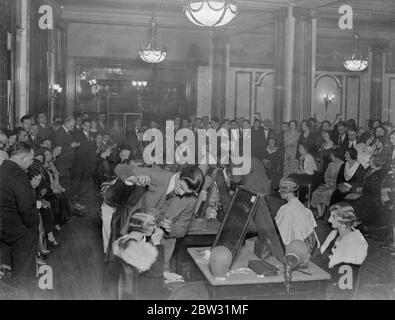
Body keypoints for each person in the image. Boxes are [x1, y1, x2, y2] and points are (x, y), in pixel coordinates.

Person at [114, 164, 204, 281]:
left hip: (160, 249)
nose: (182, 194)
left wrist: (171, 228)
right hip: (135, 233)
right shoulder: (158, 175)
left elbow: (182, 228)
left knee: (152, 282)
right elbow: (121, 168)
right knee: (128, 278)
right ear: (178, 176)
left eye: (187, 192)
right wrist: (134, 179)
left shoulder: (191, 200)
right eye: (181, 187)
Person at [0, 142, 39, 284]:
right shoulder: (19, 175)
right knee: (24, 273)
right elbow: (26, 208)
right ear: (23, 159)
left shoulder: (3, 168)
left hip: (4, 227)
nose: (31, 163)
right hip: (19, 230)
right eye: (30, 159)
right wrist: (34, 226)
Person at [275, 178, 319, 253]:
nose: (279, 191)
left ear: (287, 192)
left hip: (299, 248)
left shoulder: (286, 209)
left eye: (281, 189)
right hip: (311, 243)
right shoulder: (301, 205)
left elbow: (280, 232)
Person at [311, 148, 344, 219]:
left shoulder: (343, 165)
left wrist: (334, 183)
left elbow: (341, 179)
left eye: (332, 155)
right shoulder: (330, 164)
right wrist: (328, 182)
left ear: (336, 156)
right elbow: (326, 176)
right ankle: (320, 213)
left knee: (326, 194)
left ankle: (322, 212)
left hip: (336, 185)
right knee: (316, 192)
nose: (330, 157)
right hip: (327, 184)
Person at [72, 119, 96, 201]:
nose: (88, 127)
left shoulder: (92, 135)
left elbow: (93, 148)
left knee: (85, 179)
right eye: (86, 125)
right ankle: (76, 196)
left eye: (89, 126)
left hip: (88, 162)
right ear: (82, 126)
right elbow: (77, 149)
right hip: (80, 162)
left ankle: (83, 196)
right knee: (78, 179)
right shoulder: (78, 135)